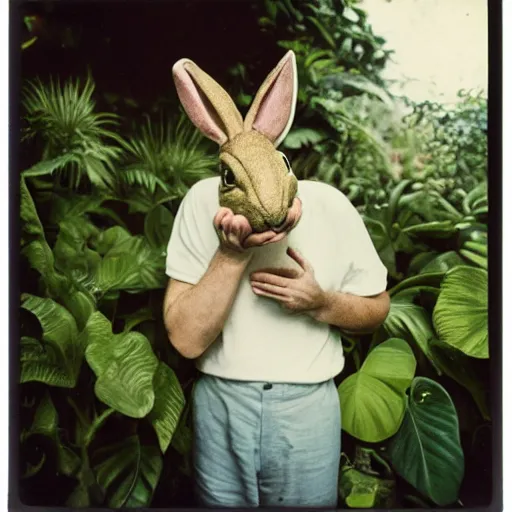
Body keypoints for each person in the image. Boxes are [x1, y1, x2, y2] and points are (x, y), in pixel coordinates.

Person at [162, 174, 390, 508]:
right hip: (220, 405)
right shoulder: (201, 198)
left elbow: (377, 308)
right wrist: (230, 254)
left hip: (308, 408)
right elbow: (186, 340)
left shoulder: (330, 203)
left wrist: (322, 303)